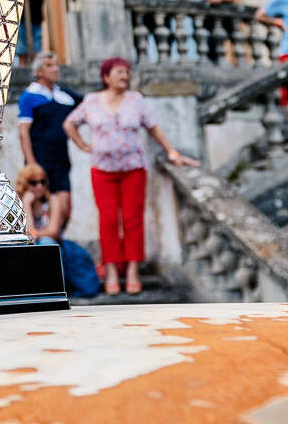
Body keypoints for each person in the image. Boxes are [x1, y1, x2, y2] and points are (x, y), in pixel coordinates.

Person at [63, 57, 196, 296]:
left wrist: (172, 153)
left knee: (133, 219)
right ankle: (112, 271)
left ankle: (133, 271)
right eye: (119, 72)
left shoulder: (136, 100)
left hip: (134, 169)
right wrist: (82, 145)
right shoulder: (92, 101)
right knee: (108, 220)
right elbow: (69, 124)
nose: (125, 75)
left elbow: (153, 128)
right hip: (102, 170)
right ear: (106, 77)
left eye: (127, 72)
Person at [16, 164, 100, 299]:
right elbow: (27, 234)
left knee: (46, 243)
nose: (39, 186)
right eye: (33, 183)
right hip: (34, 245)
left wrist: (34, 234)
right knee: (31, 246)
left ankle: (53, 290)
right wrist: (26, 204)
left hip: (53, 244)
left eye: (42, 181)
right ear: (25, 184)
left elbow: (53, 231)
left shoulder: (53, 201)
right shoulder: (18, 205)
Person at [17, 51, 79, 223]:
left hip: (61, 160)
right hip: (39, 159)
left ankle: (55, 237)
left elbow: (88, 108)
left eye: (56, 65)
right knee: (38, 209)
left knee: (64, 210)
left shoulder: (65, 96)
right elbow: (23, 131)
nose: (56, 69)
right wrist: (31, 163)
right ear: (38, 72)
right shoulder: (29, 96)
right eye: (49, 66)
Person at [16, 0, 56, 66]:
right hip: (19, 18)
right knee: (22, 52)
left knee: (37, 51)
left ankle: (36, 70)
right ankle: (23, 72)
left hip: (36, 18)